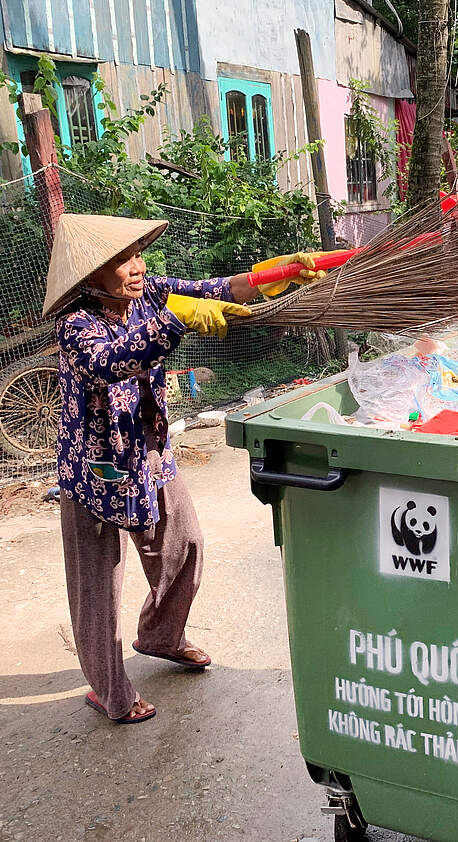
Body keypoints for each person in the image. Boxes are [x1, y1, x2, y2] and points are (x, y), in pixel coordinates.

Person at [41, 214, 323, 723]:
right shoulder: (75, 325)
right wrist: (175, 321)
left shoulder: (149, 292)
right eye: (120, 261)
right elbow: (111, 362)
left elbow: (215, 289)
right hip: (96, 469)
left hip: (149, 453)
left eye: (137, 255)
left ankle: (161, 637)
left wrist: (267, 277)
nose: (136, 267)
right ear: (89, 277)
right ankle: (109, 690)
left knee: (184, 545)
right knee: (97, 588)